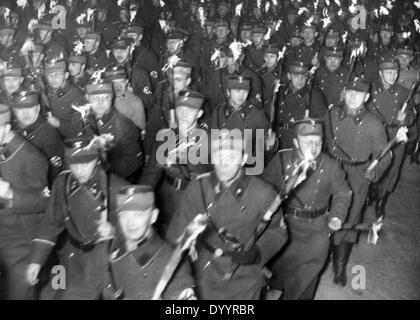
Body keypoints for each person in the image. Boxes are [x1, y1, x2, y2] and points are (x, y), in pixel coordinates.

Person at [167, 129, 288, 300]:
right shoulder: (198, 188)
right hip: (205, 273)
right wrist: (181, 283)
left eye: (231, 157)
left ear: (244, 159)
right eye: (219, 156)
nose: (224, 163)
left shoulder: (263, 192)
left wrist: (259, 251)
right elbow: (176, 237)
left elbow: (278, 231)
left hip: (246, 275)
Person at [25, 136, 128, 299]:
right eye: (74, 164)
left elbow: (138, 233)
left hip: (105, 261)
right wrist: (36, 260)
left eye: (85, 163)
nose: (79, 170)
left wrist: (114, 231)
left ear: (97, 160)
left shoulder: (118, 188)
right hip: (71, 258)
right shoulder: (63, 183)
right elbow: (51, 223)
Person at [263, 118, 351, 300]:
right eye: (307, 141)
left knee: (306, 279)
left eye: (317, 141)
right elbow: (263, 189)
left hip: (316, 229)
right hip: (285, 226)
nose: (313, 146)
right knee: (277, 271)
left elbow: (344, 193)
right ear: (295, 142)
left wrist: (337, 216)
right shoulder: (281, 160)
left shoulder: (331, 165)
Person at [324, 76, 391, 286]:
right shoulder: (331, 114)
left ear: (367, 97)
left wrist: (375, 170)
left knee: (350, 219)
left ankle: (340, 266)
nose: (353, 97)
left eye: (359, 94)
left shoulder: (373, 123)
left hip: (357, 175)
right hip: (330, 171)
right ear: (345, 92)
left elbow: (385, 154)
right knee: (325, 214)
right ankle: (320, 255)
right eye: (350, 92)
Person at [103, 185, 195, 300]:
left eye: (138, 215)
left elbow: (181, 292)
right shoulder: (113, 250)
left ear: (153, 216)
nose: (130, 223)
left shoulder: (171, 261)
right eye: (124, 215)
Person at [140, 89, 211, 237]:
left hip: (197, 200)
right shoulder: (167, 137)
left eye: (190, 110)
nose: (184, 114)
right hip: (169, 200)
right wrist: (141, 202)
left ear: (199, 114)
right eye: (180, 109)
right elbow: (150, 175)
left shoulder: (210, 140)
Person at [0, 104, 49, 299]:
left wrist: (11, 193)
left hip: (21, 237)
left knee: (19, 291)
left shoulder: (31, 157)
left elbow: (46, 201)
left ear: (7, 128)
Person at [367, 55, 415, 219]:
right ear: (380, 73)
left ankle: (382, 201)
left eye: (395, 72)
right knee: (373, 166)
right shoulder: (371, 90)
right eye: (388, 73)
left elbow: (412, 116)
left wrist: (406, 118)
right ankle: (372, 190)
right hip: (375, 135)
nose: (393, 76)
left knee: (393, 169)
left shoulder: (404, 92)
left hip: (396, 136)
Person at [10, 90, 63, 186]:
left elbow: (53, 174)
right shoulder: (12, 129)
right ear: (14, 110)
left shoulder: (49, 134)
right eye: (20, 108)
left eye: (30, 107)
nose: (25, 113)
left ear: (38, 108)